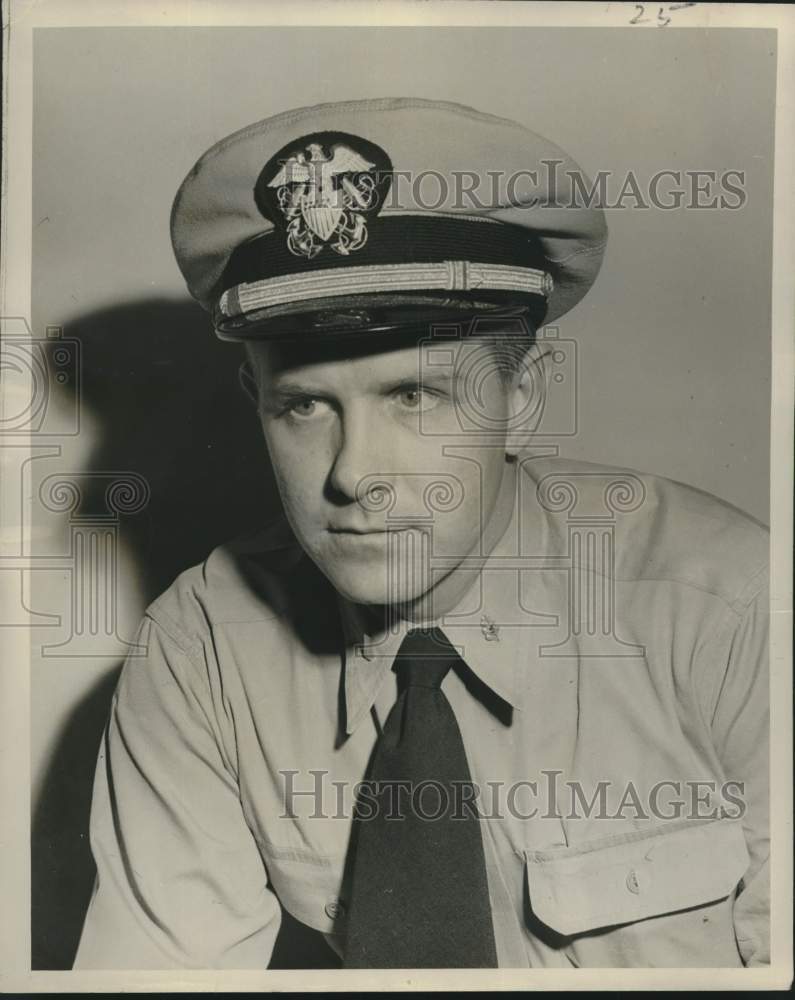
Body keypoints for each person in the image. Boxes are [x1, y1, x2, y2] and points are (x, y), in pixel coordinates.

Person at [73, 98, 769, 970]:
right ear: (256, 403)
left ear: (522, 398)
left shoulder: (730, 610)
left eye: (413, 396)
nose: (353, 474)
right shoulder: (203, 648)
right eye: (303, 406)